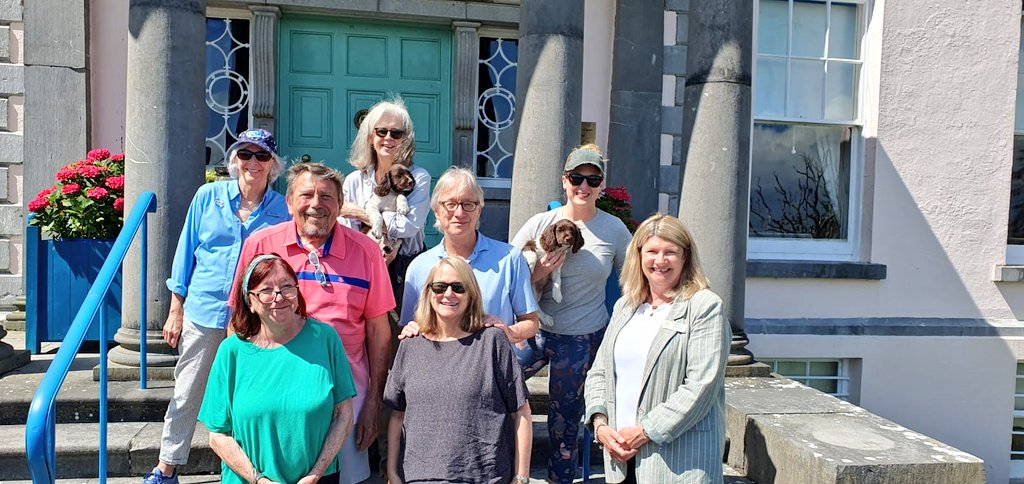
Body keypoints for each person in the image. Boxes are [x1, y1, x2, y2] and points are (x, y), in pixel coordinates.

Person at [233, 162, 395, 484]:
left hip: (346, 390)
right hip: (272, 386)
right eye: (306, 194)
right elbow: (239, 322)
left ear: (340, 204)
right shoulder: (260, 245)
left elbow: (379, 331)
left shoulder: (367, 252)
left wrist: (374, 403)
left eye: (327, 197)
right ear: (290, 201)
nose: (316, 204)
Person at [144, 129, 291, 484]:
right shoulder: (208, 196)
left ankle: (246, 468)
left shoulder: (282, 208)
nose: (252, 163)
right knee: (188, 388)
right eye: (245, 155)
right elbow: (185, 253)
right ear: (233, 160)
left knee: (248, 394)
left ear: (273, 166)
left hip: (255, 318)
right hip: (205, 310)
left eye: (261, 156)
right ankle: (168, 466)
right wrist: (175, 309)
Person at [510, 144, 632, 483]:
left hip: (582, 337)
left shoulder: (614, 230)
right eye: (577, 177)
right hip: (534, 329)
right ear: (565, 181)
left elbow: (635, 278)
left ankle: (559, 480)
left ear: (602, 186)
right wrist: (538, 275)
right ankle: (499, 467)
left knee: (564, 422)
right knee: (497, 382)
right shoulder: (540, 223)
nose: (584, 186)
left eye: (592, 180)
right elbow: (509, 272)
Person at [584, 214, 730, 484]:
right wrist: (600, 424)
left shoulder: (704, 306)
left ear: (685, 257)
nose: (660, 261)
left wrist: (645, 431)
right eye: (652, 251)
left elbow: (701, 386)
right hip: (621, 461)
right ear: (638, 255)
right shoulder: (625, 306)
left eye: (670, 252)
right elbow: (599, 372)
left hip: (679, 466)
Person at [200, 254, 356, 484]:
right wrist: (258, 480)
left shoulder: (325, 339)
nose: (279, 297)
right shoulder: (231, 352)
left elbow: (344, 415)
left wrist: (315, 474)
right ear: (250, 301)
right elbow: (217, 435)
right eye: (266, 290)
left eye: (286, 287)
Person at [384, 257, 532, 484]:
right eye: (440, 286)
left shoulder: (492, 341)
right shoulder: (410, 345)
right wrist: (393, 474)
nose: (448, 294)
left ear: (471, 294)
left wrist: (521, 477)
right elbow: (397, 416)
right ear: (429, 292)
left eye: (458, 287)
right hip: (418, 478)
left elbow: (521, 412)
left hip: (484, 477)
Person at [399, 166, 539, 344]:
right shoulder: (419, 266)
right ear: (436, 210)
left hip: (491, 366)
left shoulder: (509, 259)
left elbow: (531, 322)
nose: (459, 213)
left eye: (468, 204)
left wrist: (507, 331)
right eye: (450, 204)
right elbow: (410, 325)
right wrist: (411, 328)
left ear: (479, 210)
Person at [339, 98, 431, 309]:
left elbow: (408, 228)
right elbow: (346, 230)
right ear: (371, 138)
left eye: (396, 133)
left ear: (405, 140)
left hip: (405, 268)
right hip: (361, 264)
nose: (388, 138)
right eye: (382, 132)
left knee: (402, 333)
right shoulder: (355, 180)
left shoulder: (418, 178)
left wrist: (362, 214)